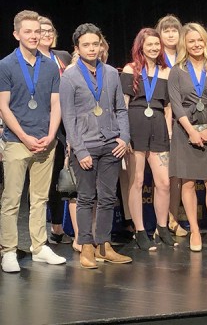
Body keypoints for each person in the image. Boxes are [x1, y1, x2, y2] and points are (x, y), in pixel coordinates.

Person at [60, 23, 132, 269]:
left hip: (111, 144)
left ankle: (104, 245)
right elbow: (68, 117)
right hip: (86, 147)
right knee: (86, 198)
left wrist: (124, 137)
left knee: (108, 198)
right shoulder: (69, 76)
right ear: (77, 48)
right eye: (86, 45)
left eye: (95, 44)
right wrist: (79, 150)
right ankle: (86, 246)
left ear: (101, 45)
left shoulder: (111, 72)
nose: (92, 49)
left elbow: (120, 109)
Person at [0, 10, 66, 273]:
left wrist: (51, 135)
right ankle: (7, 251)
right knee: (11, 199)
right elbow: (3, 107)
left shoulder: (50, 65)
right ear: (16, 34)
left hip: (45, 141)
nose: (34, 36)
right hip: (17, 140)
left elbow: (56, 102)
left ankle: (39, 247)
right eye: (27, 31)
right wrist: (25, 137)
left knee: (39, 198)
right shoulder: (6, 65)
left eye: (37, 31)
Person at [169, 23, 207, 252]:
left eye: (200, 40)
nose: (196, 44)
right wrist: (191, 131)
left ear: (206, 41)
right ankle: (194, 231)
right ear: (185, 44)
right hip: (185, 131)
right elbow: (176, 104)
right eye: (191, 41)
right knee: (188, 183)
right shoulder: (177, 70)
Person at [121, 28, 176, 251]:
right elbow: (122, 104)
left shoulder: (166, 72)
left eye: (157, 44)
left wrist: (170, 133)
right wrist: (124, 135)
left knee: (163, 182)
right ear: (140, 46)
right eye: (149, 44)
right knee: (138, 180)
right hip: (135, 129)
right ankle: (140, 230)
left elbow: (169, 106)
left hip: (159, 129)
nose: (153, 48)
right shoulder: (130, 69)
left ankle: (162, 228)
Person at [37, 15, 77, 248]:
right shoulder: (31, 59)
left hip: (66, 125)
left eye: (50, 29)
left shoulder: (62, 56)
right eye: (42, 30)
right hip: (43, 123)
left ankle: (59, 229)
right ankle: (43, 231)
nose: (47, 33)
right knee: (43, 180)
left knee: (61, 180)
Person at [155, 15, 188, 238]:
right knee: (163, 177)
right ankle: (160, 222)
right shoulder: (155, 58)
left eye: (174, 30)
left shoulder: (185, 58)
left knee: (178, 175)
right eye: (165, 30)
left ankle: (173, 218)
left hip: (183, 119)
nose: (170, 34)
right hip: (160, 120)